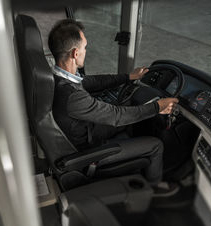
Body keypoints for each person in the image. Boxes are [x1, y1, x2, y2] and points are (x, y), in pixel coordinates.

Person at [48, 19, 179, 188]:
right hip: (88, 152)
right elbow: (117, 116)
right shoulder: (72, 96)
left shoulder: (59, 77)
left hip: (86, 132)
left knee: (129, 117)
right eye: (84, 48)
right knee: (156, 145)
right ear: (75, 53)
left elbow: (90, 81)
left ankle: (134, 161)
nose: (86, 51)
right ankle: (155, 191)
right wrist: (157, 107)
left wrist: (128, 77)